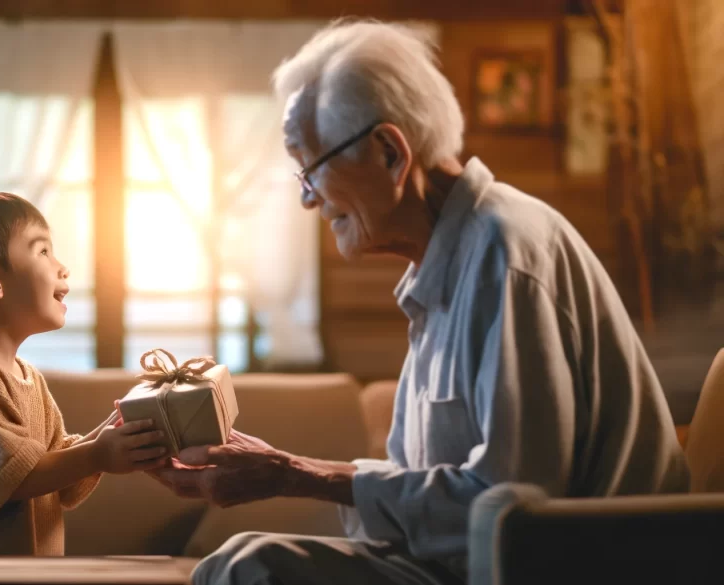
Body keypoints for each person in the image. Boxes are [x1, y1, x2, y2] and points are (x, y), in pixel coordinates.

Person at [150, 19, 690, 585]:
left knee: (253, 571)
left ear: (389, 153)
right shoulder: (447, 264)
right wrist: (286, 471)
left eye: (309, 168)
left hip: (578, 567)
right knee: (243, 561)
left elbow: (513, 510)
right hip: (480, 564)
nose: (308, 199)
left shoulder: (506, 253)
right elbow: (436, 492)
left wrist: (296, 475)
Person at [0, 192, 168, 556]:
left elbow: (58, 472)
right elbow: (12, 479)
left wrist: (109, 433)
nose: (62, 267)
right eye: (42, 251)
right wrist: (98, 454)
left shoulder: (26, 376)